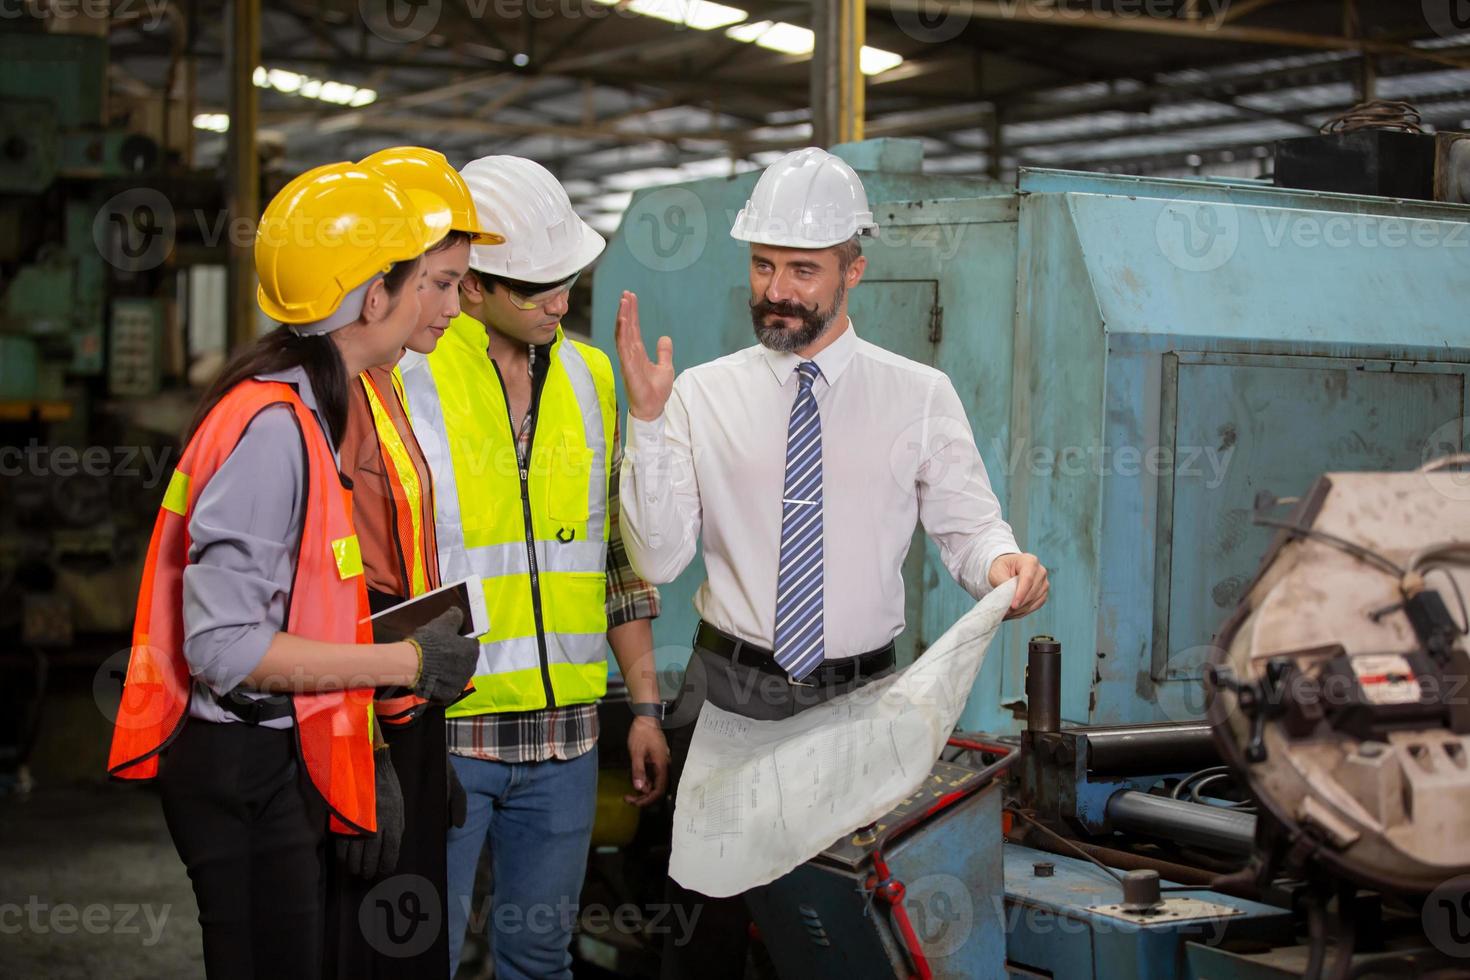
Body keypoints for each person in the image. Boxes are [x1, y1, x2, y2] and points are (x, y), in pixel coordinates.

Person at [613, 146, 1050, 979]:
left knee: (836, 939)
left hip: (860, 697)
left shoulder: (918, 395)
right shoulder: (702, 394)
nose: (777, 290)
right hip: (728, 693)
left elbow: (969, 528)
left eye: (803, 270)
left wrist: (1003, 566)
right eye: (764, 264)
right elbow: (661, 556)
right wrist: (648, 423)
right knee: (701, 939)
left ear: (854, 270)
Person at [106, 163, 481, 980]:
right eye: (424, 282)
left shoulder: (302, 403)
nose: (437, 303)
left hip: (270, 755)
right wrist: (404, 664)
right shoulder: (276, 426)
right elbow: (226, 648)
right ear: (374, 298)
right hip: (239, 766)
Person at [397, 154, 667, 980]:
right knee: (424, 959)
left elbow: (615, 559)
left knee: (538, 961)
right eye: (536, 287)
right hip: (449, 735)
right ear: (470, 285)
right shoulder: (406, 378)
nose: (559, 301)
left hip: (566, 741)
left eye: (568, 281)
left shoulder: (592, 380)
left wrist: (647, 706)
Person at [324, 146, 504, 978]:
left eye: (459, 283)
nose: (454, 307)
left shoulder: (389, 383)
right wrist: (366, 757)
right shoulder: (329, 399)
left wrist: (428, 748)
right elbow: (322, 601)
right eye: (436, 282)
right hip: (357, 723)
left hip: (405, 715)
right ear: (378, 276)